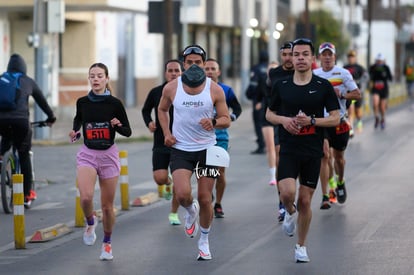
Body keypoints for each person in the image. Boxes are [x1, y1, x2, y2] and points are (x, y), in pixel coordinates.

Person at [266, 38, 340, 263]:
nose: (299, 58)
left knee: (306, 201)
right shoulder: (282, 85)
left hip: (312, 150)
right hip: (288, 148)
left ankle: (301, 246)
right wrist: (284, 121)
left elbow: (336, 118)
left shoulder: (322, 86)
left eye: (304, 54)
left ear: (312, 59)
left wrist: (312, 121)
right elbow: (269, 114)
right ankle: (289, 211)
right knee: (287, 193)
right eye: (296, 54)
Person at [158, 44, 230, 261]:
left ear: (204, 64)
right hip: (181, 149)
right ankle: (191, 212)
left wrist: (214, 122)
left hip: (209, 149)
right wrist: (166, 133)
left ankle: (204, 241)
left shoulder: (214, 89)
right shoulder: (172, 87)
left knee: (206, 198)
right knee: (181, 194)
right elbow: (162, 110)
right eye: (189, 62)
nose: (193, 66)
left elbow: (226, 120)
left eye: (198, 62)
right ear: (183, 63)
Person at [69, 62, 132, 261]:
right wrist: (75, 131)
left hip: (108, 155)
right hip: (88, 153)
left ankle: (107, 243)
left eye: (99, 76)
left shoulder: (114, 104)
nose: (95, 79)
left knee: (107, 206)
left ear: (106, 79)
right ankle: (90, 222)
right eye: (92, 76)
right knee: (86, 197)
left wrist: (117, 124)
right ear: (89, 79)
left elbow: (127, 132)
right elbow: (78, 119)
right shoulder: (82, 102)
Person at [0, 53, 56, 206]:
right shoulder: (28, 81)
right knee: (24, 154)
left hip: (1, 122)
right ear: (24, 68)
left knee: (5, 141)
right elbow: (42, 102)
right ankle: (26, 194)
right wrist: (51, 117)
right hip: (21, 122)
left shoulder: (1, 79)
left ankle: (1, 160)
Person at [313, 42, 361, 209]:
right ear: (319, 57)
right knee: (324, 155)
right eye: (324, 54)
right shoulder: (314, 74)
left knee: (338, 159)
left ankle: (340, 181)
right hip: (322, 122)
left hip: (339, 121)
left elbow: (357, 94)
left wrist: (342, 94)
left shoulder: (343, 73)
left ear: (334, 56)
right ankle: (326, 195)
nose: (327, 57)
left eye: (330, 54)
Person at [141, 59, 182, 225]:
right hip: (160, 140)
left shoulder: (187, 92)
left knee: (180, 185)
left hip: (181, 143)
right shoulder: (157, 92)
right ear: (165, 73)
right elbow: (145, 110)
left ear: (182, 73)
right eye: (170, 70)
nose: (173, 73)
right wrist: (149, 122)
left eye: (177, 71)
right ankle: (168, 181)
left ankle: (173, 213)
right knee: (160, 178)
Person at [204, 58, 242, 218]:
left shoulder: (226, 90)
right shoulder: (197, 90)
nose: (210, 71)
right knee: (205, 172)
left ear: (218, 72)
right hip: (202, 138)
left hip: (220, 137)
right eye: (207, 69)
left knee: (219, 172)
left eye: (213, 68)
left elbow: (238, 108)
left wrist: (230, 118)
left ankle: (218, 203)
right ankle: (207, 197)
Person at [266, 41, 295, 223]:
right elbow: (272, 96)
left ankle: (292, 195)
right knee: (279, 157)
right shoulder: (274, 73)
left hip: (300, 121)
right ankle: (282, 201)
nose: (287, 58)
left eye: (290, 54)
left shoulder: (302, 71)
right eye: (284, 54)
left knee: (297, 161)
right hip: (280, 120)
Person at [245, 50, 268, 154]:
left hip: (258, 100)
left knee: (258, 123)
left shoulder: (256, 68)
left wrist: (248, 95)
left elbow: (253, 84)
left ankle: (261, 145)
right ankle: (270, 143)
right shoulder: (270, 68)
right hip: (269, 100)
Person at [343, 50, 369, 135]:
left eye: (352, 57)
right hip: (349, 92)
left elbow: (366, 77)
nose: (351, 58)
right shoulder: (344, 68)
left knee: (358, 112)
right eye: (349, 57)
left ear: (355, 58)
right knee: (350, 109)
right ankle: (351, 129)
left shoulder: (359, 67)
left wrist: (361, 83)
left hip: (357, 92)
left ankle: (359, 121)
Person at [369, 53, 393, 129]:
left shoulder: (386, 67)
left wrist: (385, 76)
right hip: (375, 88)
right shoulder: (373, 67)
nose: (379, 62)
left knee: (382, 107)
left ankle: (382, 119)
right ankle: (376, 117)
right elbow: (369, 77)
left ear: (383, 61)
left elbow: (390, 78)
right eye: (378, 60)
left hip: (384, 89)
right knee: (375, 103)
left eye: (380, 61)